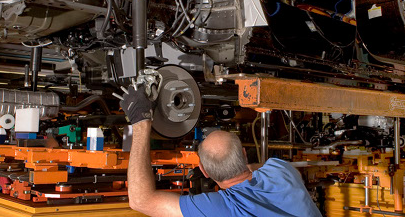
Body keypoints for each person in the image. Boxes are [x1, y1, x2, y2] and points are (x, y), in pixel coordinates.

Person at [118, 80, 322, 217]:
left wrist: (141, 123)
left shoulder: (223, 207)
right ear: (243, 154)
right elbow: (265, 169)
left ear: (204, 172)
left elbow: (140, 201)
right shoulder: (282, 171)